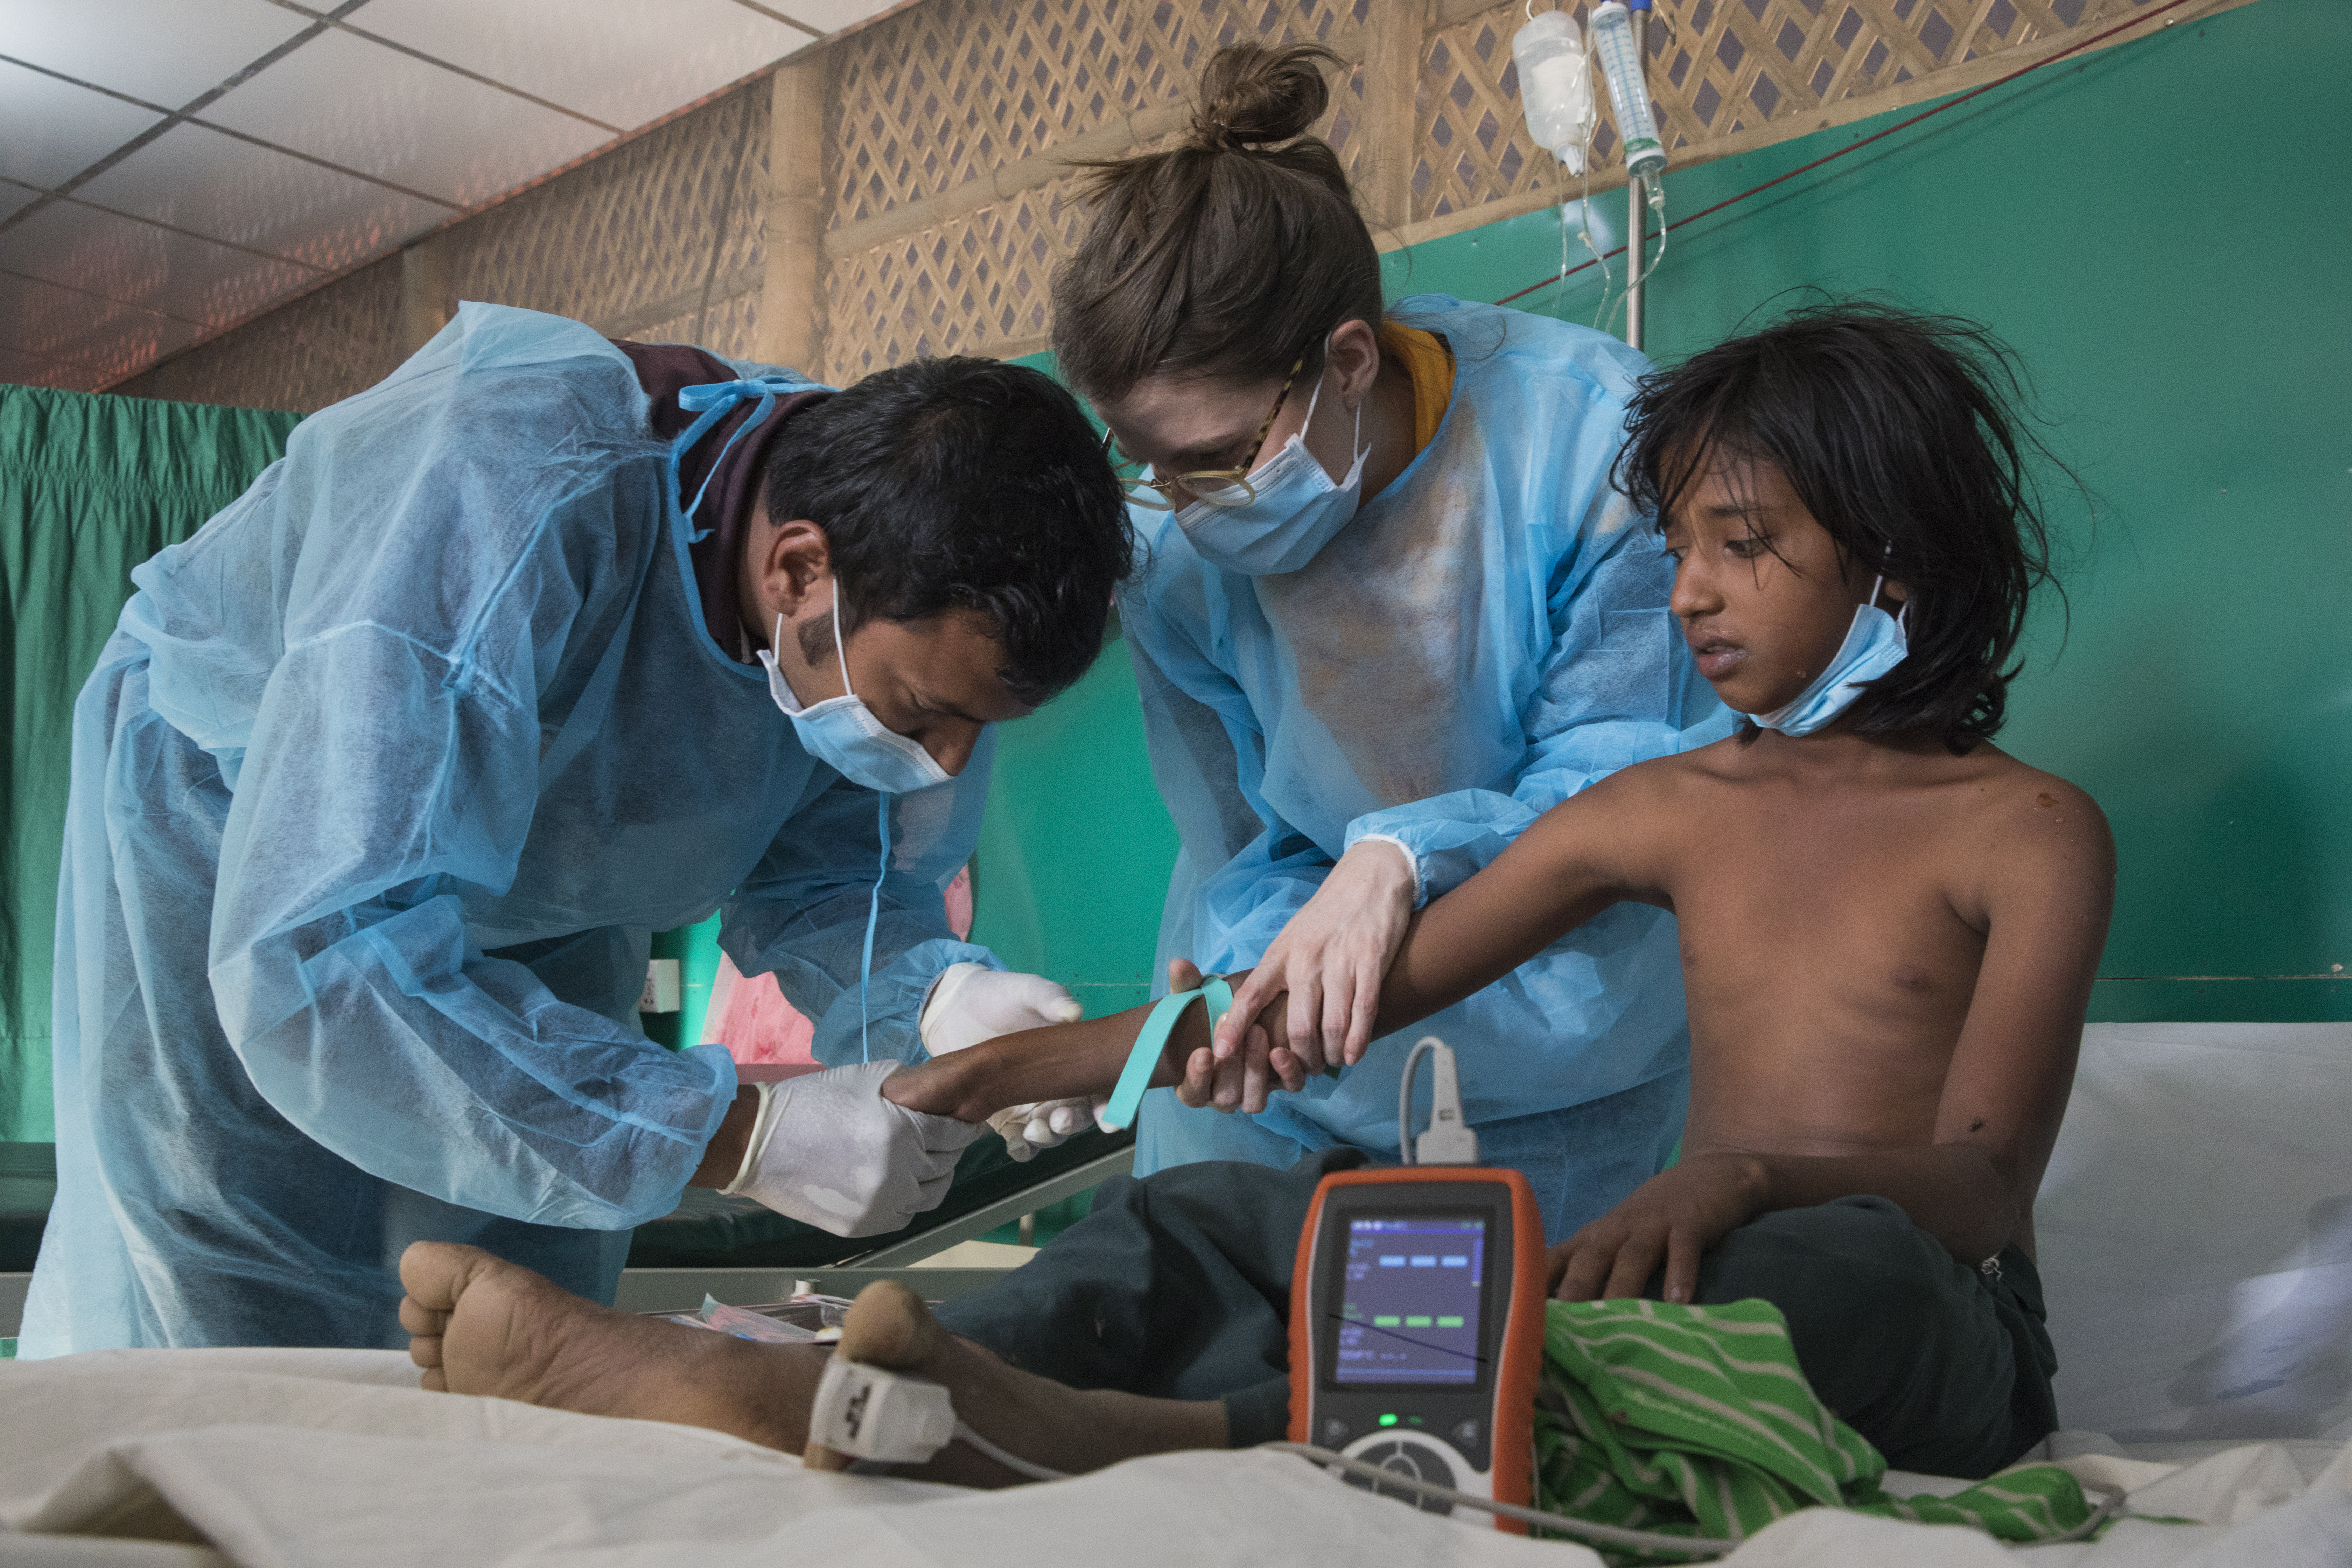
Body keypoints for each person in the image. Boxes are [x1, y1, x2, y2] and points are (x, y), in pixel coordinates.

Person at [396, 304, 2113, 1483]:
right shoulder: (1672, 809)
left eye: (1741, 544)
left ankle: (1119, 1439)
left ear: (1890, 550)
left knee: (1832, 1279)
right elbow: (1298, 1019)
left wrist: (1734, 1177)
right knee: (1230, 1223)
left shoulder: (2024, 832)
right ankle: (846, 1372)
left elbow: (1975, 1188)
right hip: (1690, 1276)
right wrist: (983, 1071)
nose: (1686, 596)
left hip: (1914, 1306)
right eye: (1674, 549)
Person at [20, 303, 1149, 1357]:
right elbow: (324, 966)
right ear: (797, 569)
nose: (944, 764)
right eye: (927, 715)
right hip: (258, 853)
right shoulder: (500, 491)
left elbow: (834, 871)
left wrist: (934, 994)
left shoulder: (889, 574)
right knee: (244, 1295)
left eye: (977, 729)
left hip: (550, 890)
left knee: (537, 1317)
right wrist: (742, 1138)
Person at [1008, 40, 1729, 1237]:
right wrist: (1252, 996)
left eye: (1224, 456)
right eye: (1152, 463)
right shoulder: (1173, 554)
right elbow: (1237, 838)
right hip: (1281, 1082)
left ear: (1347, 360)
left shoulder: (1596, 443)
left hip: (1550, 1058)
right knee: (1196, 1368)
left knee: (1502, 1396)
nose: (1186, 502)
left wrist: (1403, 856)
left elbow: (1633, 779)